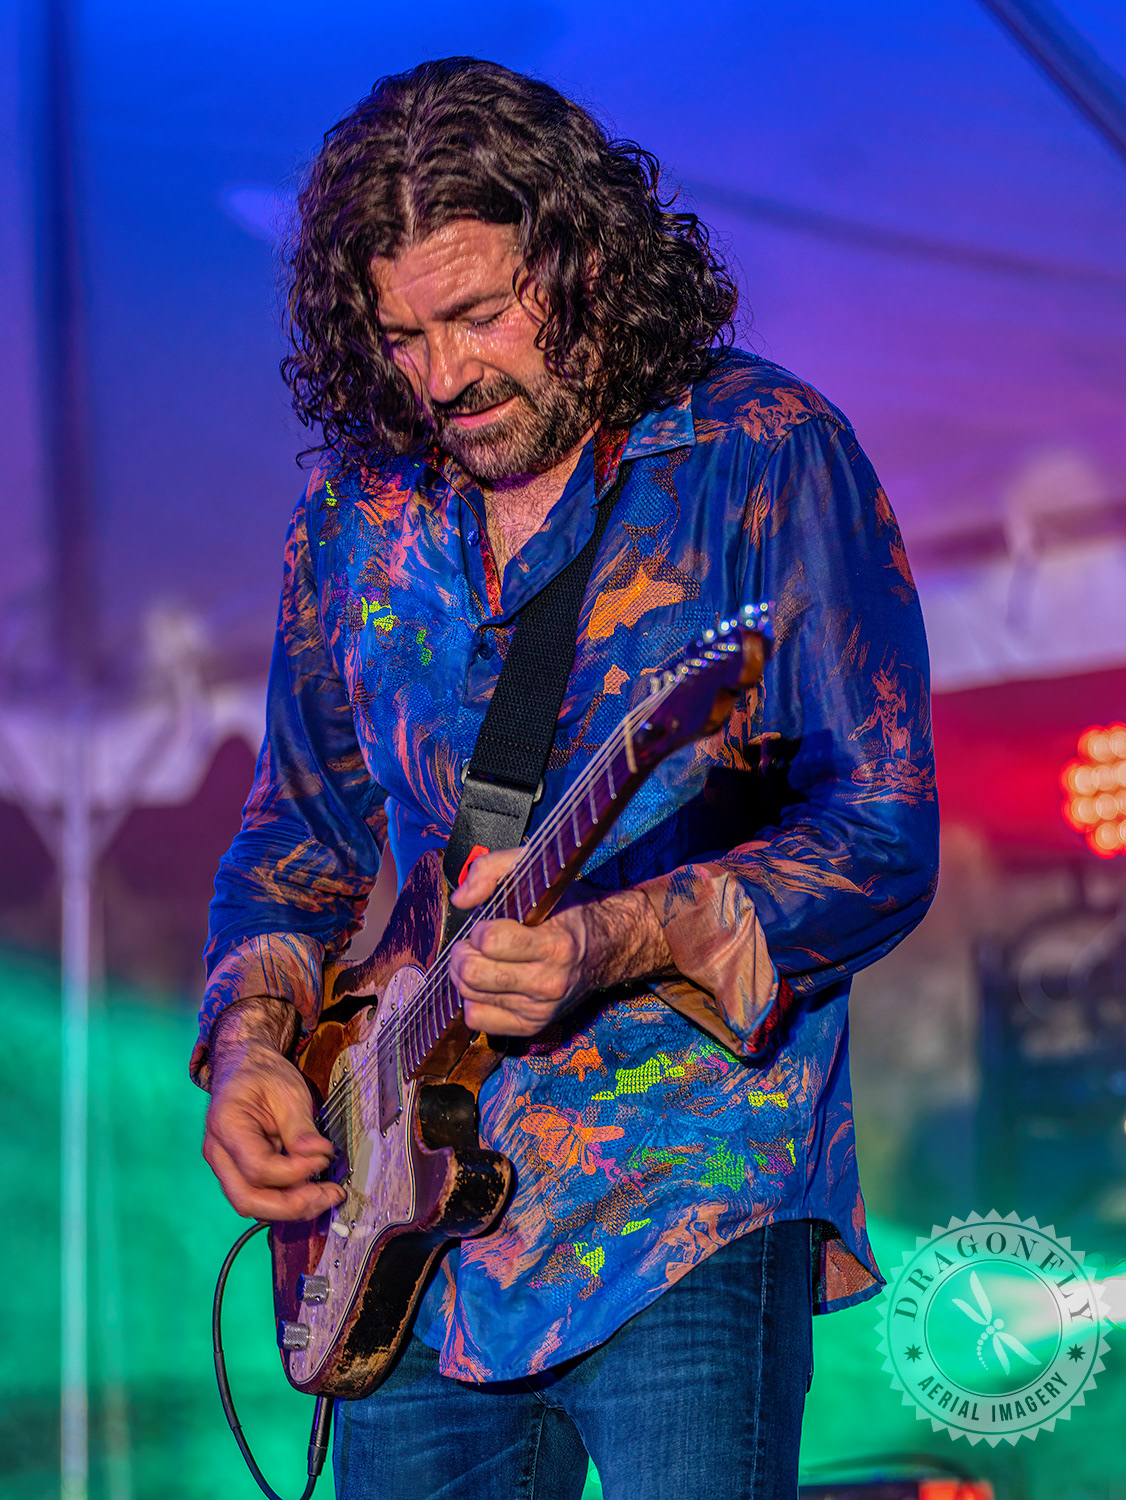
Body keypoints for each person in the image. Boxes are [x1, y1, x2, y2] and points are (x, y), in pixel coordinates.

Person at [194, 57, 938, 1500]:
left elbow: (881, 825)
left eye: (479, 315)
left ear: (586, 264)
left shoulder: (758, 458)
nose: (444, 377)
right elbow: (297, 841)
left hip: (681, 1196)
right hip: (408, 1247)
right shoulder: (354, 516)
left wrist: (622, 935)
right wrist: (251, 1046)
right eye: (402, 335)